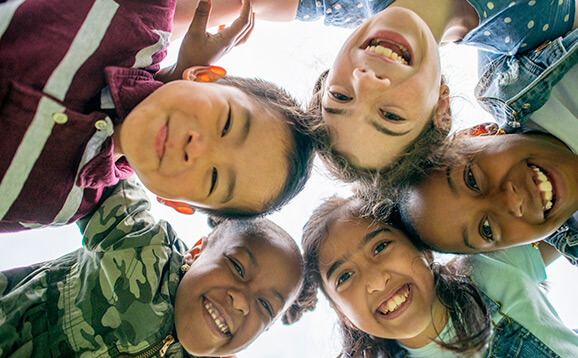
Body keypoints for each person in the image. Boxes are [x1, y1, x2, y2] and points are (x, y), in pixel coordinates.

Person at [0, 0, 314, 232]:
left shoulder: (66, 207)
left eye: (214, 178)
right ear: (202, 76)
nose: (197, 148)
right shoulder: (142, 14)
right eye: (227, 122)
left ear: (173, 202)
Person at [0, 178, 304, 357]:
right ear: (196, 252)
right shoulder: (142, 247)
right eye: (237, 267)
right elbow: (106, 168)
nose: (241, 301)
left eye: (265, 305)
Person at [300, 0, 577, 187]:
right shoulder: (530, 24)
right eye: (390, 115)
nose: (366, 81)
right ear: (441, 107)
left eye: (340, 96)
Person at [285, 196, 578, 357]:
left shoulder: (487, 265)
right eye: (345, 276)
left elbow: (565, 216)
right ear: (343, 314)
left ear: (422, 248)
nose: (376, 281)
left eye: (381, 246)